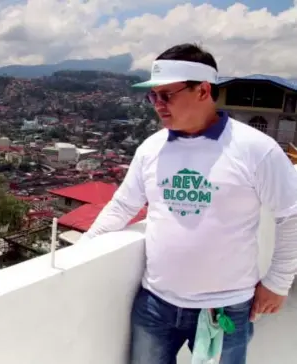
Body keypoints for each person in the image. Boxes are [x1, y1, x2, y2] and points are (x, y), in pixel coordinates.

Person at [77, 43, 297, 363]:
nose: (158, 105)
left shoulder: (255, 149)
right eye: (153, 96)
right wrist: (82, 250)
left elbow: (289, 215)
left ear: (203, 91)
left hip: (225, 308)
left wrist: (278, 282)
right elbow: (123, 206)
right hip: (156, 304)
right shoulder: (151, 149)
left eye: (167, 95)